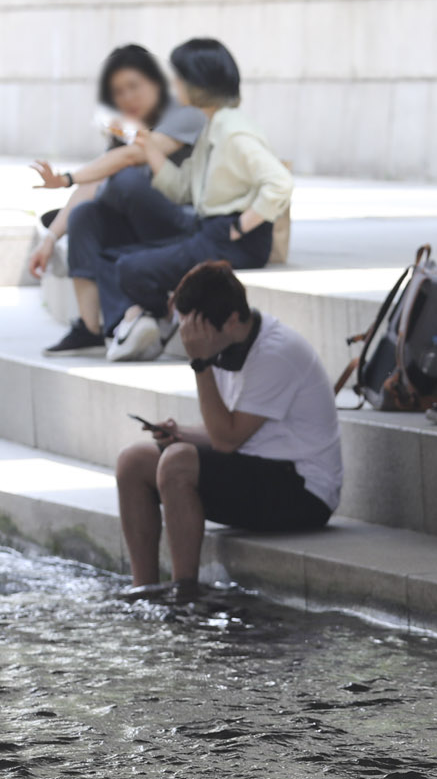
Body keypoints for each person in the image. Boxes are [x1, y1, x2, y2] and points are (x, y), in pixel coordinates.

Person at [114, 262, 340, 589]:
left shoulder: (276, 353)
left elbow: (226, 439)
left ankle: (184, 595)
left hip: (304, 492)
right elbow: (234, 430)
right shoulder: (223, 342)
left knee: (177, 463)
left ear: (232, 320)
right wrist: (180, 433)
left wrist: (200, 364)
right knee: (133, 462)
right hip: (259, 463)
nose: (188, 338)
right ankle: (144, 590)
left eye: (195, 328)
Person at [68, 37, 293, 364]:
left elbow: (279, 183)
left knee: (130, 268)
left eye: (179, 77)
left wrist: (239, 228)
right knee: (111, 258)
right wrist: (147, 146)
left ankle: (158, 320)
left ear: (198, 82)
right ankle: (133, 325)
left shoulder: (233, 131)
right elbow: (182, 188)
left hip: (232, 240)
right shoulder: (212, 126)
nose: (174, 84)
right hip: (209, 231)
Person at [36, 44, 205, 355]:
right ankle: (101, 329)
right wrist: (49, 239)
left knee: (123, 180)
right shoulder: (126, 125)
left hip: (185, 223)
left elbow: (131, 158)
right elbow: (93, 182)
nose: (126, 97)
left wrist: (69, 177)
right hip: (143, 224)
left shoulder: (186, 114)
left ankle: (136, 318)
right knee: (84, 217)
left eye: (133, 86)